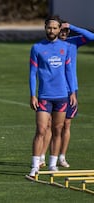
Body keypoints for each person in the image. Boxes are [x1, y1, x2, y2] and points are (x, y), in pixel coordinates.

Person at [39, 21, 94, 168]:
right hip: (54, 89)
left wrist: (72, 26)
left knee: (66, 124)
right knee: (49, 124)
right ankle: (42, 157)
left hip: (70, 90)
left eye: (65, 31)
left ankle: (62, 157)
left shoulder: (73, 43)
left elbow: (91, 37)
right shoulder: (51, 46)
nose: (62, 33)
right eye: (60, 30)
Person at [28, 16, 77, 177]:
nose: (52, 31)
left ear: (59, 30)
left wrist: (72, 93)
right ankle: (35, 166)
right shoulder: (37, 48)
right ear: (45, 28)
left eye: (55, 28)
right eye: (49, 28)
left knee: (57, 129)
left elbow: (69, 72)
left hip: (62, 96)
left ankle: (52, 164)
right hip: (44, 96)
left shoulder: (66, 47)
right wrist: (32, 94)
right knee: (41, 129)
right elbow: (33, 73)